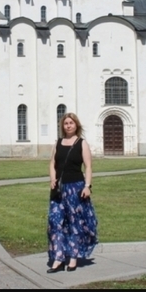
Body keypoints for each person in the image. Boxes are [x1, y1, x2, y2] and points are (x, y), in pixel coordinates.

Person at [47, 112, 99, 273]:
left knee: (74, 223)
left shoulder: (81, 143)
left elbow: (88, 167)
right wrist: (52, 178)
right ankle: (58, 258)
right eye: (66, 123)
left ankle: (73, 257)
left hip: (75, 187)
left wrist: (87, 186)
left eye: (71, 123)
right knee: (55, 222)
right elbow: (52, 163)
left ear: (76, 125)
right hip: (58, 189)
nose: (68, 125)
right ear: (63, 126)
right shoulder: (58, 143)